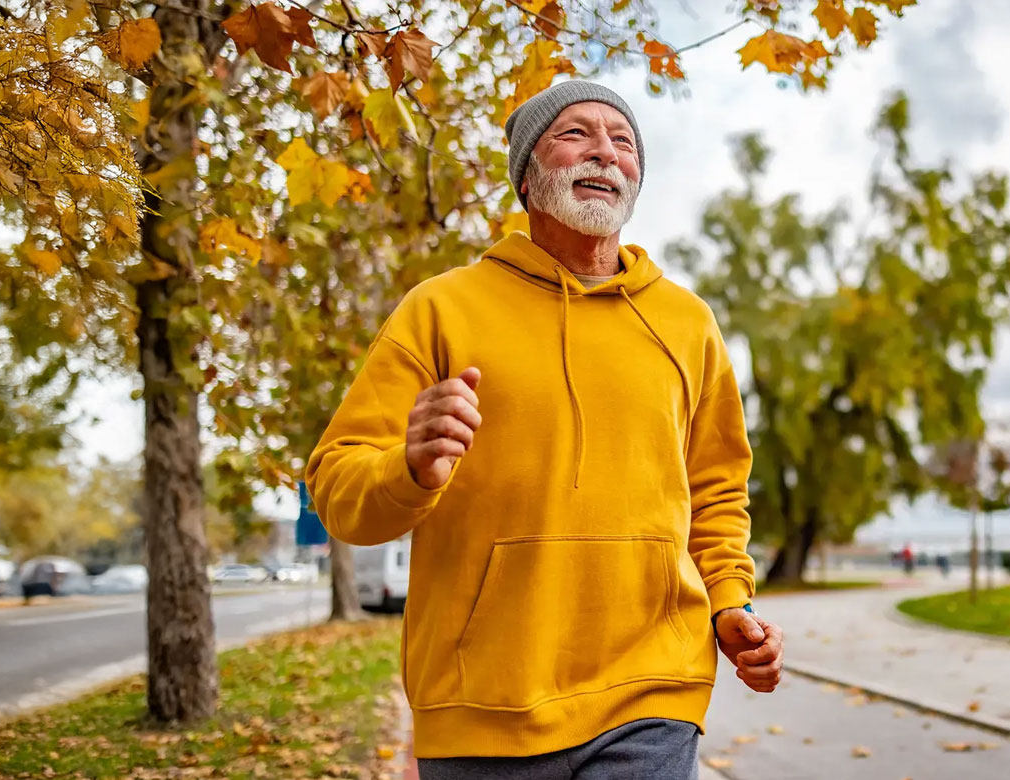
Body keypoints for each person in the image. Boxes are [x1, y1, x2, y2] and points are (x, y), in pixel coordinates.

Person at [306, 81, 782, 779]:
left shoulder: (688, 324)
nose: (604, 152)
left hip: (652, 686)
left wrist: (730, 603)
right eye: (575, 134)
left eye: (622, 140)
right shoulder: (440, 309)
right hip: (482, 700)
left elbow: (715, 493)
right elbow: (337, 488)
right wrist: (407, 469)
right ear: (528, 176)